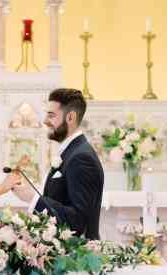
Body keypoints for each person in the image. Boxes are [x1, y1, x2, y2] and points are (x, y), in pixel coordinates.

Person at [12, 88, 104, 240]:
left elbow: (77, 222)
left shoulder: (81, 158)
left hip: (77, 258)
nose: (45, 121)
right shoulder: (72, 151)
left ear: (71, 117)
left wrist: (33, 198)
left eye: (51, 115)